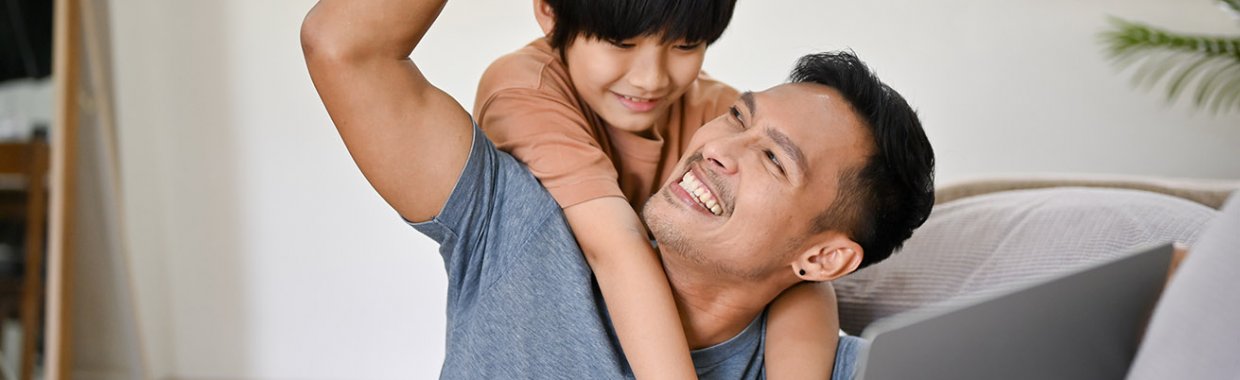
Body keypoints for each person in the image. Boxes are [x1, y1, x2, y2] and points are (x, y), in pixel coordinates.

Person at [301, 0, 935, 378]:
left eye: (772, 157)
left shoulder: (830, 351)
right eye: (739, 118)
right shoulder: (518, 220)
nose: (718, 146)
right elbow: (343, 46)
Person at [473, 0, 841, 377]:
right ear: (549, 11)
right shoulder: (525, 89)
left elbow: (797, 265)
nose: (652, 79)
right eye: (621, 43)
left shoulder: (722, 122)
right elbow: (616, 249)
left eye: (684, 45)